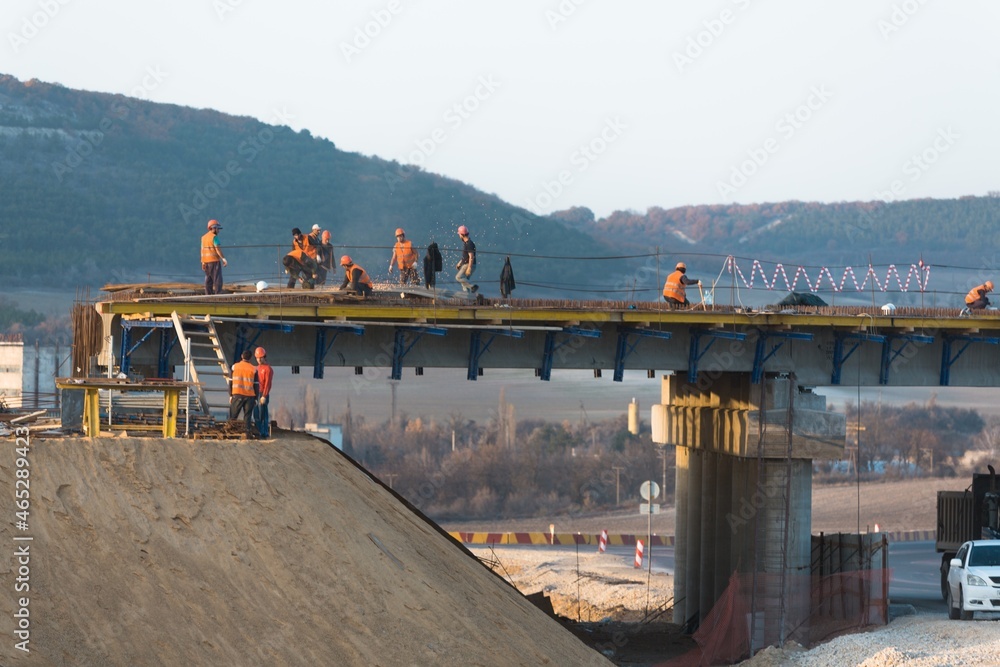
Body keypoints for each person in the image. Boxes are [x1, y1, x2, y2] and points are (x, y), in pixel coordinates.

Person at [229, 350, 257, 438]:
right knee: (247, 417)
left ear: (242, 356)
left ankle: (231, 434)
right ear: (250, 358)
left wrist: (230, 395)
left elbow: (230, 382)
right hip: (250, 396)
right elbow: (256, 385)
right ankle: (247, 434)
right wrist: (256, 398)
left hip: (237, 394)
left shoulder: (234, 367)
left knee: (233, 416)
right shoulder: (254, 369)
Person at [200, 219, 227, 295]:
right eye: (218, 228)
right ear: (213, 228)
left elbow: (202, 251)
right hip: (214, 262)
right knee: (217, 280)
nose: (218, 231)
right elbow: (217, 249)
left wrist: (203, 262)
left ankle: (208, 296)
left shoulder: (203, 238)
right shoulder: (214, 237)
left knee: (208, 280)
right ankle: (218, 295)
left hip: (206, 263)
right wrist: (224, 259)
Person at [253, 346, 273, 438]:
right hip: (256, 393)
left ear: (264, 357)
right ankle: (259, 430)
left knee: (263, 414)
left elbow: (268, 384)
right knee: (256, 413)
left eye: (260, 358)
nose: (259, 360)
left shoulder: (268, 369)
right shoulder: (257, 368)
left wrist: (264, 395)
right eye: (257, 358)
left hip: (262, 393)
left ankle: (264, 432)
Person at [455, 225, 478, 293]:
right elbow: (465, 256)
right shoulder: (467, 243)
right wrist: (459, 263)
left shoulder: (469, 244)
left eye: (459, 234)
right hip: (466, 264)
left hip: (468, 264)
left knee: (459, 277)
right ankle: (467, 296)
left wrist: (469, 268)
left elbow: (471, 257)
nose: (459, 236)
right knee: (464, 282)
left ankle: (472, 286)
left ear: (462, 235)